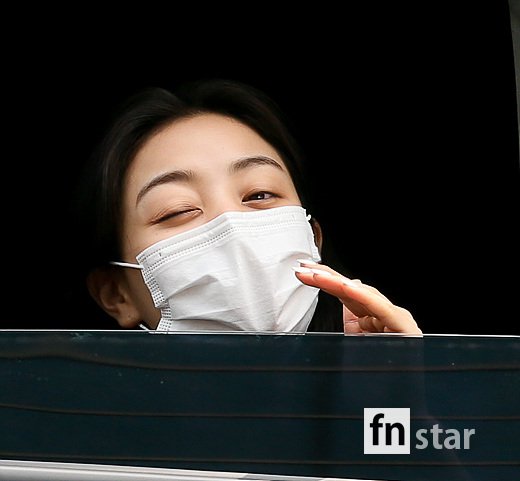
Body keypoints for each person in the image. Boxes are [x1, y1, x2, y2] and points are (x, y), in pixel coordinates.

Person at [74, 78, 421, 335]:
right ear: (116, 293)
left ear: (313, 241)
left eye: (260, 194)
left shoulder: (375, 396)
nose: (231, 224)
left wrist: (392, 397)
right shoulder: (68, 416)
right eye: (177, 210)